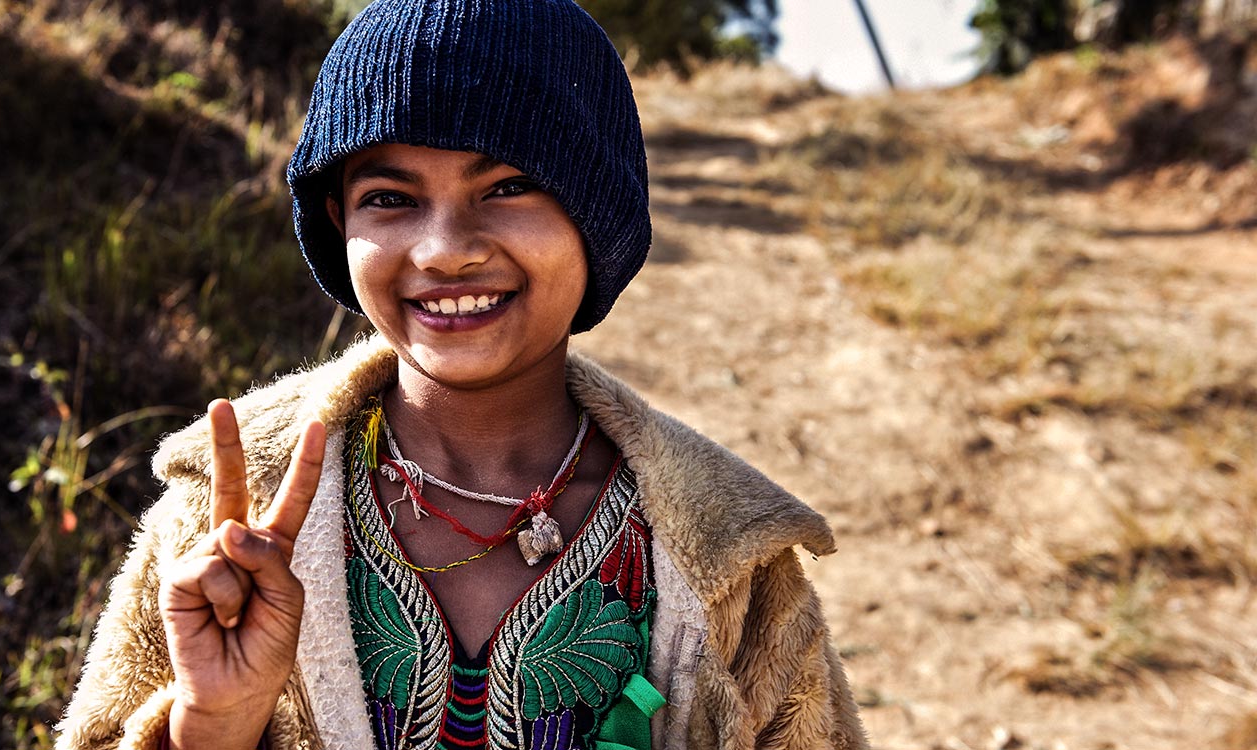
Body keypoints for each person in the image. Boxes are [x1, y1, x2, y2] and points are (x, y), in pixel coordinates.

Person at [55, 1, 868, 748]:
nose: (445, 248)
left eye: (509, 186)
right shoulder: (226, 521)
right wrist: (215, 722)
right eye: (389, 197)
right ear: (338, 223)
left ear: (597, 215)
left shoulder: (732, 563)